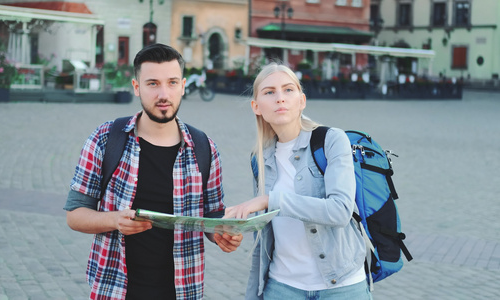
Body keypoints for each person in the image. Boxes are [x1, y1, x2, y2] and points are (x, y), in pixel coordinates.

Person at [64, 43, 242, 300]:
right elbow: (75, 215)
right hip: (116, 289)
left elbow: (212, 219)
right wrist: (115, 220)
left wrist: (223, 236)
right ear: (137, 87)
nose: (163, 94)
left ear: (182, 86)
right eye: (152, 84)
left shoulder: (204, 148)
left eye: (171, 83)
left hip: (182, 290)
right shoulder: (106, 138)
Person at [224, 63, 371, 300]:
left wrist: (270, 200)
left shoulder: (331, 140)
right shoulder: (259, 158)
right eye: (269, 92)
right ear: (256, 106)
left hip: (342, 286)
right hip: (282, 287)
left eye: (288, 90)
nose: (280, 98)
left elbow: (341, 211)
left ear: (302, 100)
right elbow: (264, 240)